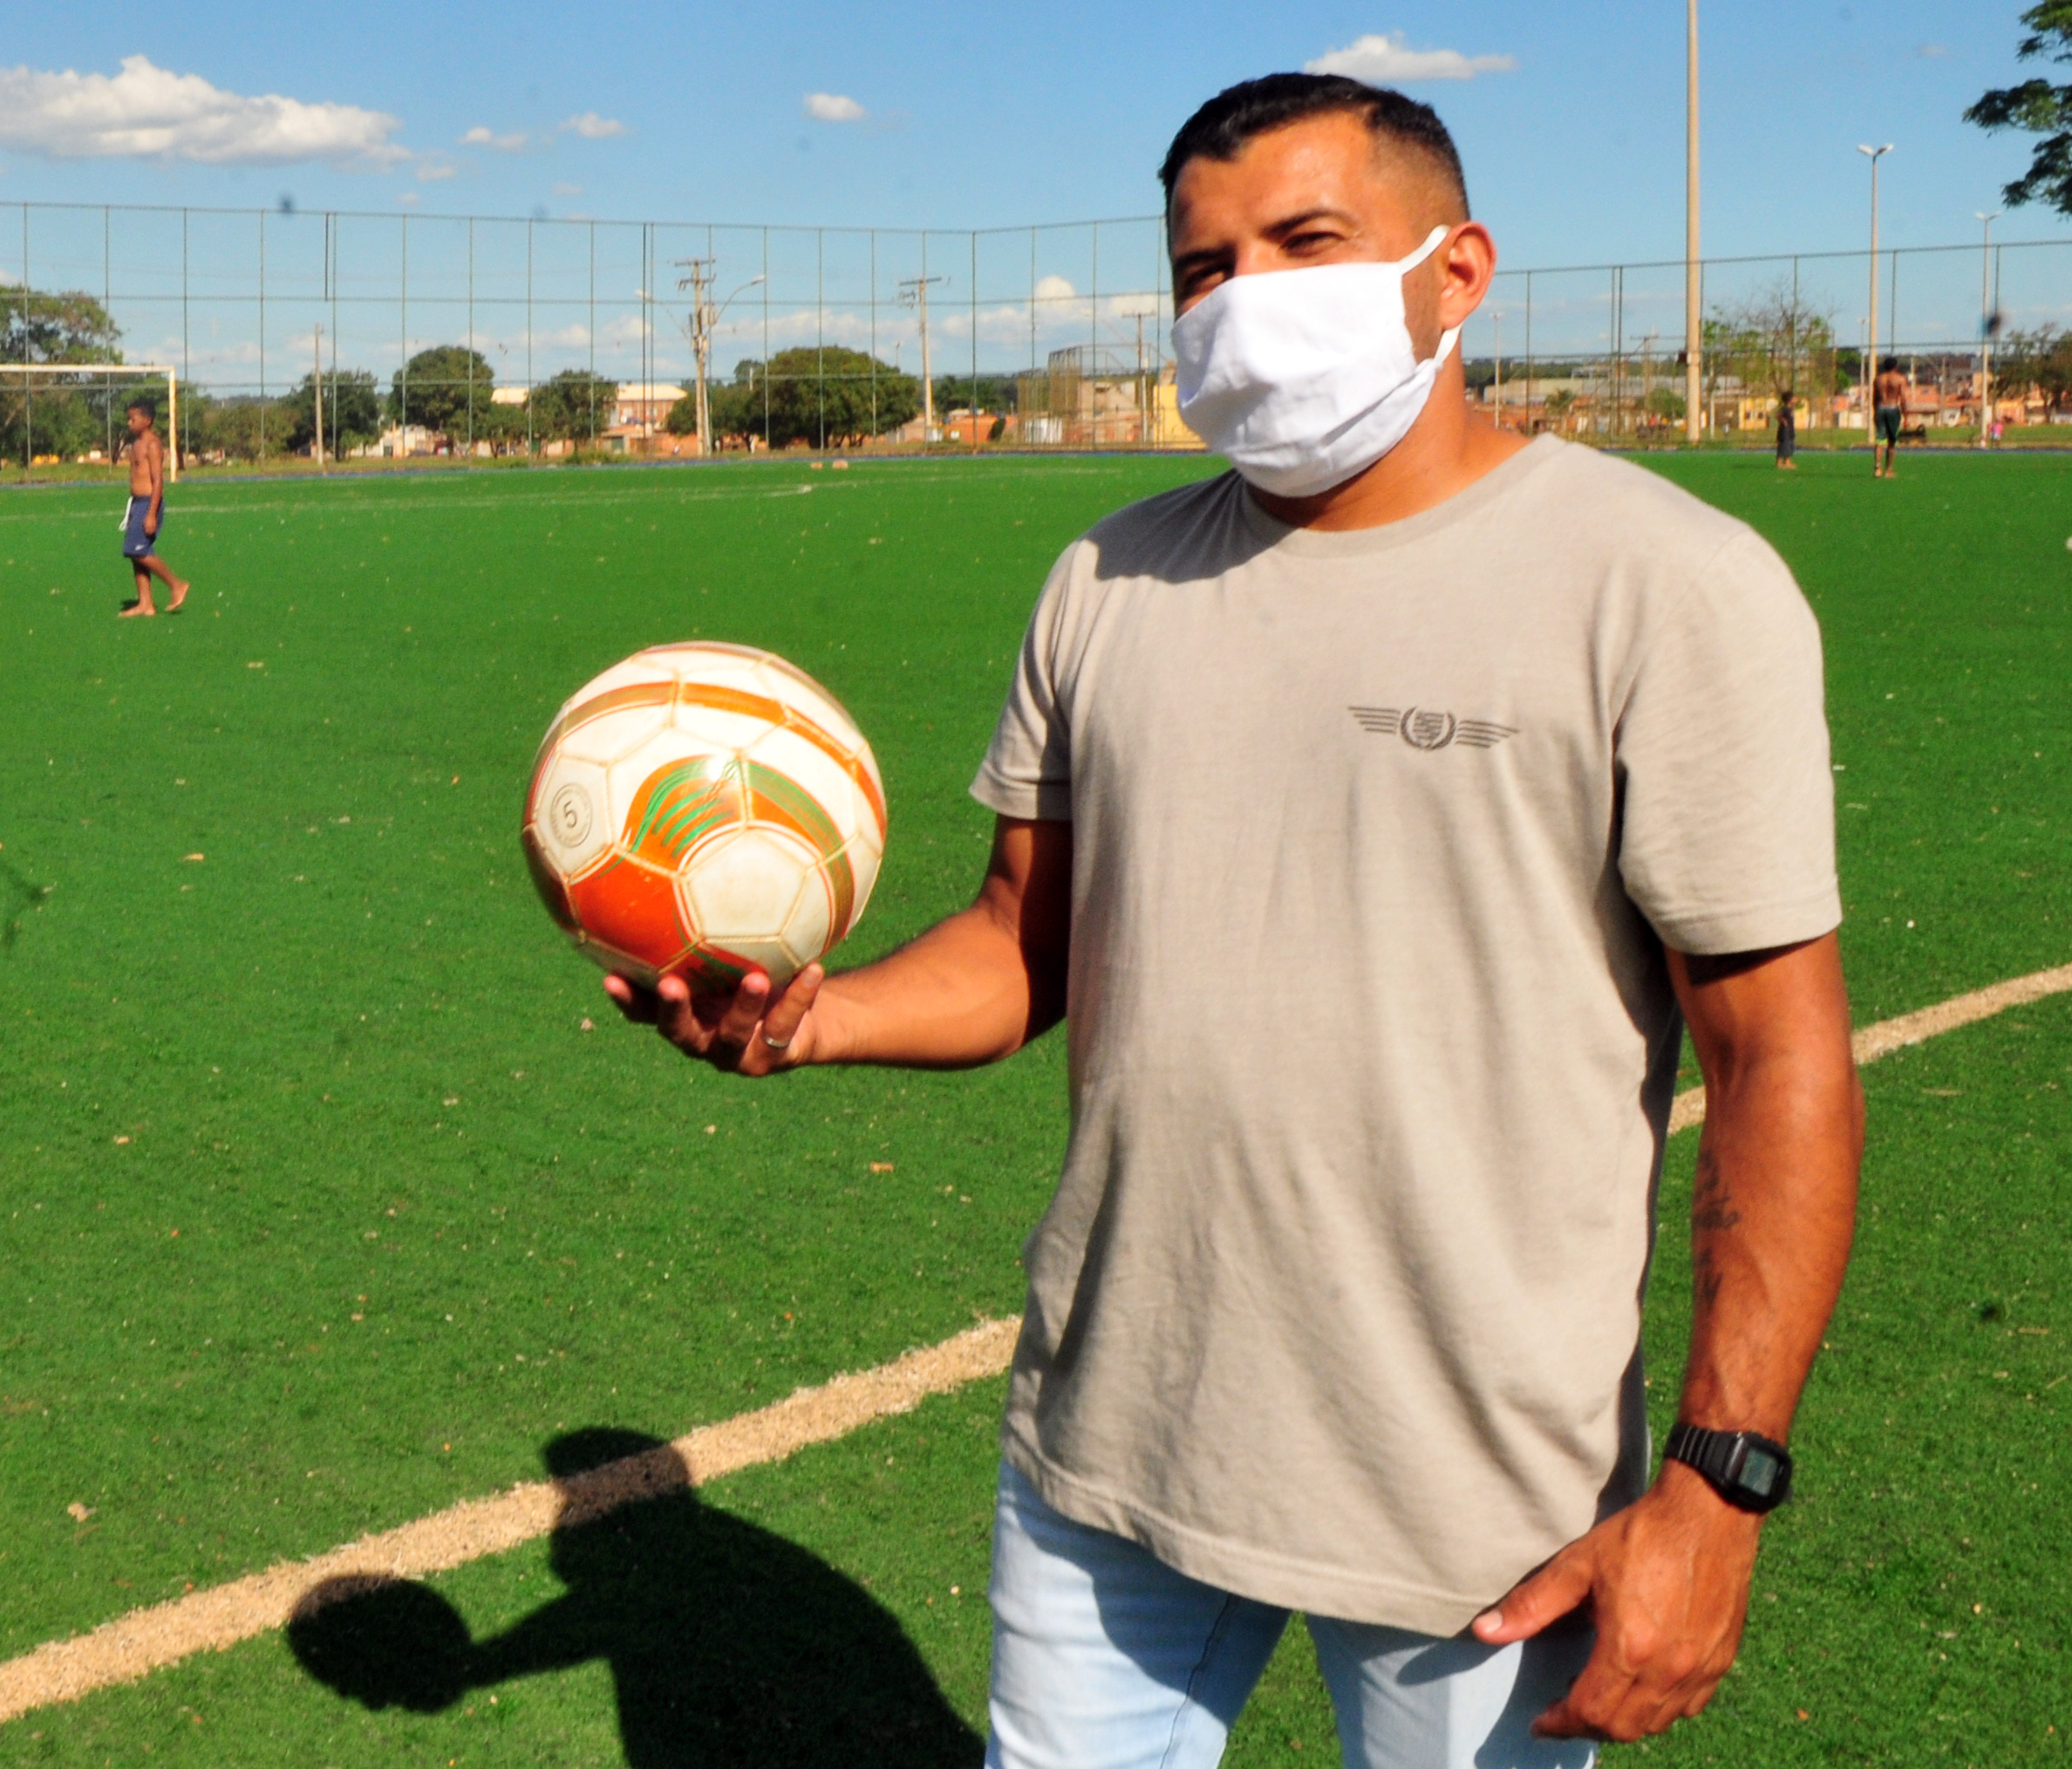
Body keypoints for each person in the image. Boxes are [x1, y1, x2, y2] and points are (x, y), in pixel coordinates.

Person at [608, 72, 1863, 1769]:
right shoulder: (1105, 582)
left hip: (1476, 1503)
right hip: (1110, 1440)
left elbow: (1778, 1052)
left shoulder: (1663, 584)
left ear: (1457, 268)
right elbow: (1021, 945)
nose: (1245, 297)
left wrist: (1722, 1487)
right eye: (1204, 266)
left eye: (1307, 240)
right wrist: (813, 1016)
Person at [117, 398, 188, 617]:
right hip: (137, 503)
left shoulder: (152, 444)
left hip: (149, 503)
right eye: (128, 418)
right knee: (134, 552)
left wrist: (151, 514)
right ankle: (145, 603)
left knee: (137, 550)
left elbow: (158, 480)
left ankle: (176, 584)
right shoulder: (136, 444)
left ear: (147, 420)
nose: (129, 423)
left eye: (133, 418)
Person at [1871, 355, 1908, 479]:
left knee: (1880, 440)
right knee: (1892, 442)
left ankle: (1877, 468)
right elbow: (1903, 398)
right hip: (1892, 409)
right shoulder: (1900, 379)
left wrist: (1875, 411)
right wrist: (1906, 415)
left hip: (1880, 409)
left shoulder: (1878, 379)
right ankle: (1888, 470)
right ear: (1896, 366)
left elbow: (1874, 398)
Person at [1775, 389, 1799, 469]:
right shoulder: (1785, 408)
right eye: (1794, 398)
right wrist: (1783, 421)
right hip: (1784, 431)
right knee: (1783, 446)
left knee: (1789, 446)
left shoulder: (1790, 409)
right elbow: (1778, 415)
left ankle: (1787, 462)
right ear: (1789, 400)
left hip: (1790, 431)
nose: (1796, 399)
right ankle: (1779, 462)